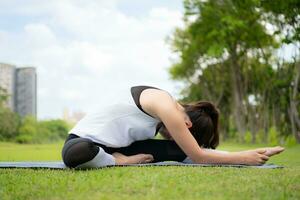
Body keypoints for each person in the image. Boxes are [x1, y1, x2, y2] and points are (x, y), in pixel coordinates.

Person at [61, 85, 284, 168]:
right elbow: (197, 155)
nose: (172, 137)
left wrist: (256, 152)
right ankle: (118, 161)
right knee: (76, 153)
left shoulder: (166, 109)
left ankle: (117, 158)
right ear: (186, 124)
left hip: (119, 146)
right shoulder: (167, 108)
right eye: (180, 135)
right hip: (85, 142)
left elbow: (195, 153)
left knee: (178, 153)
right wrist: (245, 158)